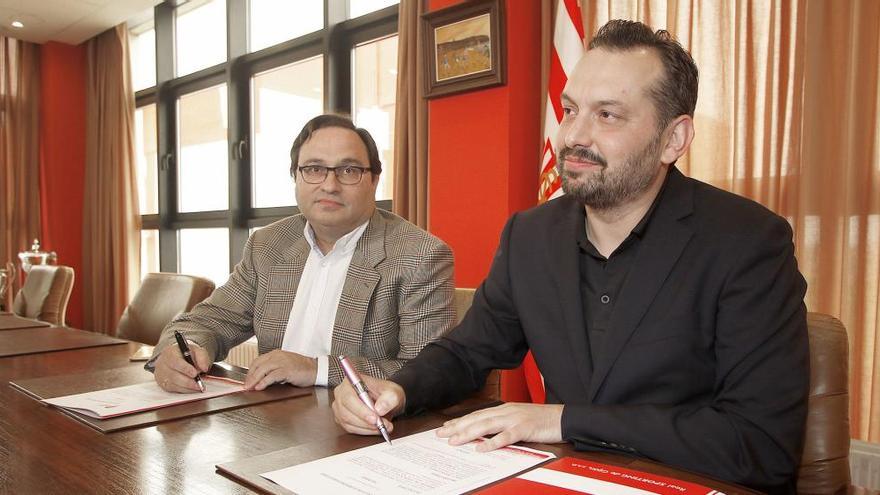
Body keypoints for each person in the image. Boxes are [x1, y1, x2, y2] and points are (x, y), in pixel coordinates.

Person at [333, 20, 809, 494]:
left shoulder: (748, 242)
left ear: (673, 139)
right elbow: (467, 351)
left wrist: (564, 421)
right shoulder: (530, 234)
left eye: (607, 115)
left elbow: (760, 446)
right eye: (569, 110)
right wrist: (399, 389)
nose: (572, 137)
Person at [149, 114, 456, 393]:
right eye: (314, 169)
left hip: (364, 429)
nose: (329, 185)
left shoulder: (420, 256)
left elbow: (426, 370)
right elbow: (210, 320)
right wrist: (183, 349)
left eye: (348, 170)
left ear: (373, 180)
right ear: (295, 177)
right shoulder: (268, 245)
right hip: (270, 424)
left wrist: (316, 369)